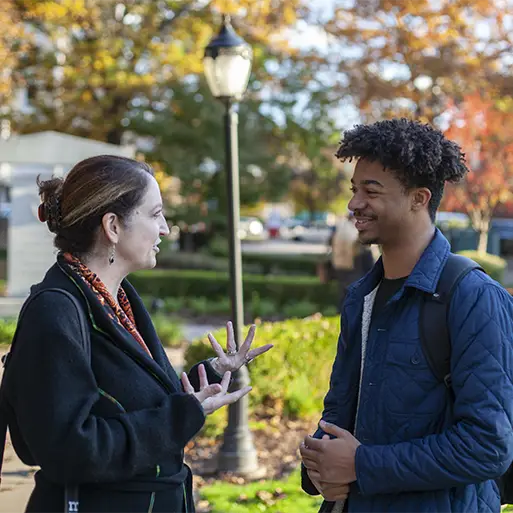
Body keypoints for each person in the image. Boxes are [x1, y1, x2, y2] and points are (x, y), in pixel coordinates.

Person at [0, 155, 273, 513]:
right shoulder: (57, 310)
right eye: (155, 213)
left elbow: (128, 401)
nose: (166, 229)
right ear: (112, 226)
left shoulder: (116, 297)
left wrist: (206, 377)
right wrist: (182, 415)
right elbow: (67, 450)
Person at [299, 119, 513, 513]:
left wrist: (361, 464)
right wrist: (319, 460)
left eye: (371, 191)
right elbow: (340, 412)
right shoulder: (361, 296)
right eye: (354, 190)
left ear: (419, 198)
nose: (354, 204)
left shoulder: (472, 296)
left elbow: (489, 446)